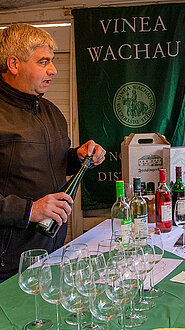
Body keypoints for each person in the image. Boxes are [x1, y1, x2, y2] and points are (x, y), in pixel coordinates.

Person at [0, 23, 106, 281]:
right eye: (43, 62)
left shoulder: (51, 111)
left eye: (52, 61)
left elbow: (47, 162)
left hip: (51, 249)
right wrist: (29, 210)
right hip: (8, 263)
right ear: (14, 64)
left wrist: (77, 157)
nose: (53, 70)